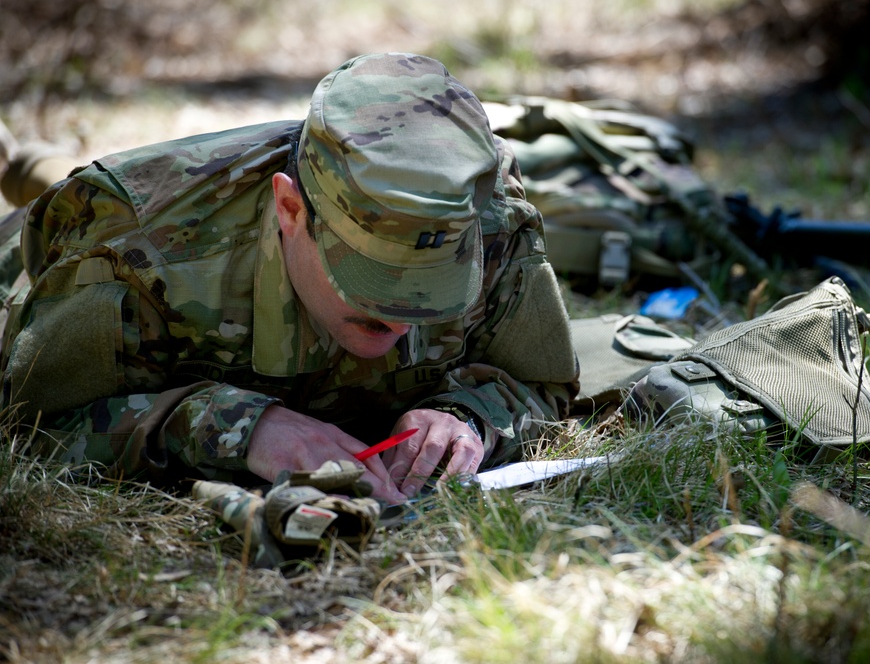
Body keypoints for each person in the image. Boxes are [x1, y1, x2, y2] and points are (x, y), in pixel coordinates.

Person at [0, 53, 579, 504]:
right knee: (29, 201)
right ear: (291, 211)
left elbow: (541, 382)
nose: (403, 318)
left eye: (433, 287)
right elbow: (34, 428)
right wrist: (230, 426)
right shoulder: (134, 250)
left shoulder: (493, 222)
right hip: (47, 258)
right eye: (374, 279)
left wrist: (468, 417)